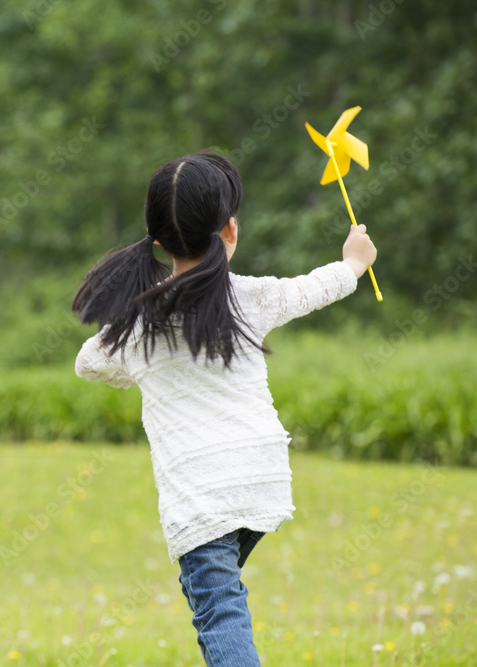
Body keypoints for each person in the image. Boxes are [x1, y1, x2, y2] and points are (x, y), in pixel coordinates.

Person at [71, 152, 377, 666]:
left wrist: (143, 366)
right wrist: (353, 263)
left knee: (219, 613)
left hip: (202, 495)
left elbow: (87, 363)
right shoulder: (250, 298)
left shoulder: (142, 322)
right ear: (229, 230)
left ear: (156, 237)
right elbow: (311, 289)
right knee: (212, 598)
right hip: (260, 476)